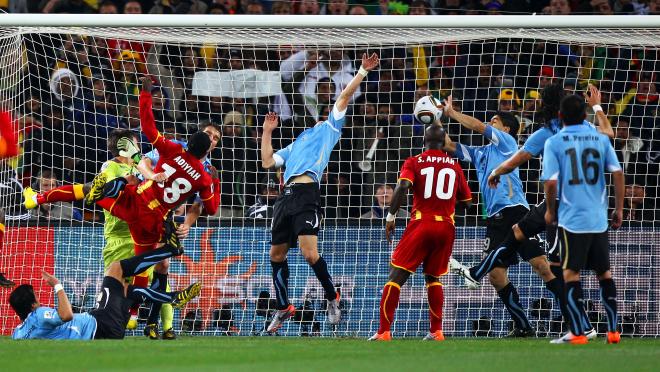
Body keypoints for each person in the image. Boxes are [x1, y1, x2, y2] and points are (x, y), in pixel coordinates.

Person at [479, 83, 613, 341]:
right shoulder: (585, 128)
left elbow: (517, 160)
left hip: (562, 203)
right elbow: (608, 132)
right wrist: (597, 105)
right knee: (521, 232)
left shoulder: (545, 133)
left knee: (557, 267)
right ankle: (585, 326)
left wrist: (496, 173)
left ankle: (581, 327)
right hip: (590, 204)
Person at [260, 53, 379, 332]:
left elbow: (344, 98)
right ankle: (283, 306)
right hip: (284, 197)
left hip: (307, 194)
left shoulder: (330, 128)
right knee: (276, 255)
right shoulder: (297, 140)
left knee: (309, 253)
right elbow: (267, 162)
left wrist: (361, 70)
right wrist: (267, 132)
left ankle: (332, 296)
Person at [442, 94, 557, 337]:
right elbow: (448, 145)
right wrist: (433, 117)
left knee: (541, 267)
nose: (490, 122)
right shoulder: (479, 153)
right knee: (496, 276)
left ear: (506, 128)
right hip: (494, 218)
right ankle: (524, 327)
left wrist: (452, 113)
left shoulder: (507, 143)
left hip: (515, 210)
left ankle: (575, 313)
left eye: (495, 120)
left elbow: (477, 125)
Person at [369, 124, 472, 341]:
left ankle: (384, 332)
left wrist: (390, 216)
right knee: (433, 278)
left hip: (421, 223)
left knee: (396, 276)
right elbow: (467, 202)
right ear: (445, 143)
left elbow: (403, 186)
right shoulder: (454, 166)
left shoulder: (414, 161)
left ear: (423, 142)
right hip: (446, 226)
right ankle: (436, 331)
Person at [541, 94, 624, 345]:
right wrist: (618, 209)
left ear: (560, 116)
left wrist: (550, 210)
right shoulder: (600, 139)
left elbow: (551, 181)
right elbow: (618, 173)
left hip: (572, 219)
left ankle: (578, 332)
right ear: (586, 116)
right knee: (604, 273)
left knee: (570, 274)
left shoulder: (554, 142)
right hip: (599, 218)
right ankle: (613, 331)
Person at [10, 243, 200, 340]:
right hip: (100, 324)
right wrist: (58, 285)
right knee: (116, 268)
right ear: (33, 305)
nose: (40, 302)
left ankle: (167, 303)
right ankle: (169, 250)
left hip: (103, 324)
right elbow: (66, 315)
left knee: (127, 290)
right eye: (37, 298)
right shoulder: (39, 314)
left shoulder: (18, 333)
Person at [136, 122, 221, 339]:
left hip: (164, 216)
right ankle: (130, 312)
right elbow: (144, 160)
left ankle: (151, 322)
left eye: (216, 138)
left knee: (163, 265)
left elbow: (201, 205)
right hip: (141, 202)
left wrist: (188, 224)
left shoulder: (207, 169)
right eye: (208, 134)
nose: (211, 139)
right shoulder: (176, 146)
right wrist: (151, 176)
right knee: (136, 265)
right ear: (199, 135)